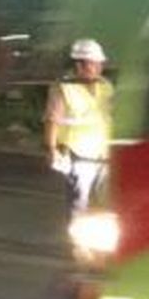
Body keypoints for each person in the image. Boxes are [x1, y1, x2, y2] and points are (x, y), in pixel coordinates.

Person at [44, 38, 113, 212]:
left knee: (102, 203)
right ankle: (77, 235)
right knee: (79, 203)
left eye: (99, 64)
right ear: (79, 65)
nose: (98, 68)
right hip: (78, 156)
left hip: (103, 154)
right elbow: (52, 121)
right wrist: (51, 150)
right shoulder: (64, 89)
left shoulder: (105, 86)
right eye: (93, 64)